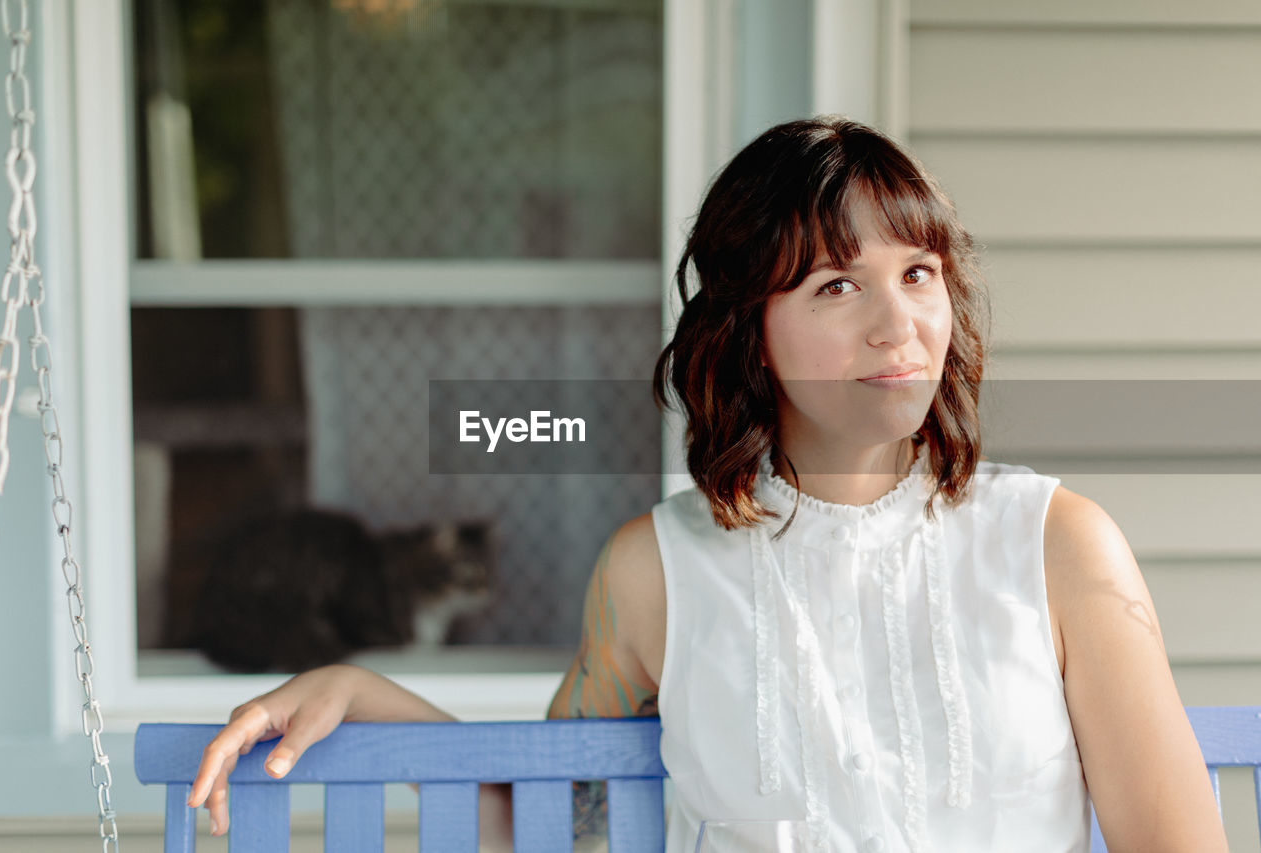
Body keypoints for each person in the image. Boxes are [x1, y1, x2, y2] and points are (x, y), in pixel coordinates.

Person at [187, 116, 1229, 852]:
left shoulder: (1054, 543)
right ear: (747, 333)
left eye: (917, 273)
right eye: (835, 285)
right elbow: (546, 821)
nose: (896, 321)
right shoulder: (654, 571)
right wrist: (360, 693)